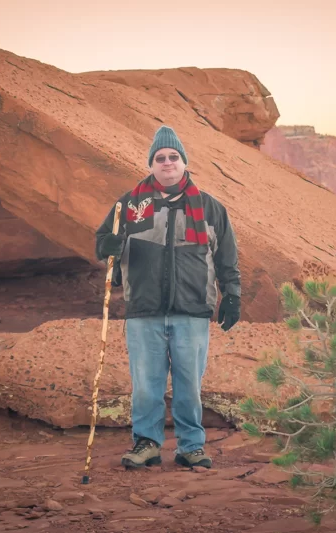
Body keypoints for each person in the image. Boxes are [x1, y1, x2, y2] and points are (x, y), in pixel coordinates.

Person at [95, 125, 241, 469]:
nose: (167, 162)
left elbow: (227, 259)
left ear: (184, 163)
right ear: (151, 165)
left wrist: (232, 295)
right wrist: (109, 246)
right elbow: (103, 243)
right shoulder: (130, 205)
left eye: (173, 156)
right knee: (146, 384)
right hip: (143, 310)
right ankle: (146, 443)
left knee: (189, 386)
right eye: (160, 158)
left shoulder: (210, 208)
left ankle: (191, 446)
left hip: (191, 310)